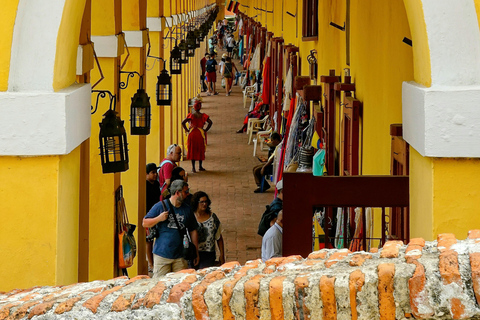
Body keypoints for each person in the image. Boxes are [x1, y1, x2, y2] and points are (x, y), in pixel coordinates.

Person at [143, 180, 199, 277]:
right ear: (178, 193)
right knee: (159, 285)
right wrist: (159, 218)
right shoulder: (160, 206)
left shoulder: (187, 209)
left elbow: (193, 230)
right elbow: (145, 223)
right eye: (185, 191)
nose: (188, 194)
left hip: (181, 256)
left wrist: (195, 251)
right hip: (162, 255)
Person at [190, 191, 225, 269]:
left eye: (206, 201)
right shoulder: (190, 217)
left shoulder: (213, 218)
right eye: (201, 202)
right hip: (192, 254)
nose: (204, 204)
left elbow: (218, 237)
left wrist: (222, 254)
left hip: (208, 254)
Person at [182, 100, 213, 173]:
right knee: (200, 149)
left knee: (192, 149)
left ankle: (193, 168)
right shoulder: (203, 115)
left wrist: (187, 130)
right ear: (200, 107)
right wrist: (205, 130)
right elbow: (210, 122)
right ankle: (200, 166)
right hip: (200, 133)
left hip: (192, 133)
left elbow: (183, 122)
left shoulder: (191, 115)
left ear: (194, 107)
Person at [145, 163, 160, 274]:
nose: (155, 175)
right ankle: (150, 264)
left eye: (156, 172)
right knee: (149, 241)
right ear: (146, 174)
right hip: (149, 216)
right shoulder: (144, 186)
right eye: (153, 173)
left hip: (157, 215)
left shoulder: (156, 184)